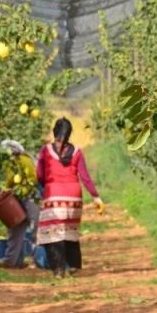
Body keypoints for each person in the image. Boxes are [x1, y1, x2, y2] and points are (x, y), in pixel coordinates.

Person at [35, 117, 104, 277]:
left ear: (54, 132)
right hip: (74, 198)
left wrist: (45, 185)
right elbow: (85, 176)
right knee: (70, 230)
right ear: (70, 133)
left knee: (53, 233)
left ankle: (58, 269)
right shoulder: (77, 152)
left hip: (54, 195)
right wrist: (96, 196)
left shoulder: (46, 150)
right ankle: (74, 265)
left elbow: (39, 174)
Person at [0, 139, 40, 268]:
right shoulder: (9, 164)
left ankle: (37, 259)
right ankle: (12, 261)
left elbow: (33, 178)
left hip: (31, 196)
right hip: (17, 197)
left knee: (35, 225)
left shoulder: (24, 160)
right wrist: (5, 191)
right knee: (15, 228)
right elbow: (9, 180)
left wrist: (21, 188)